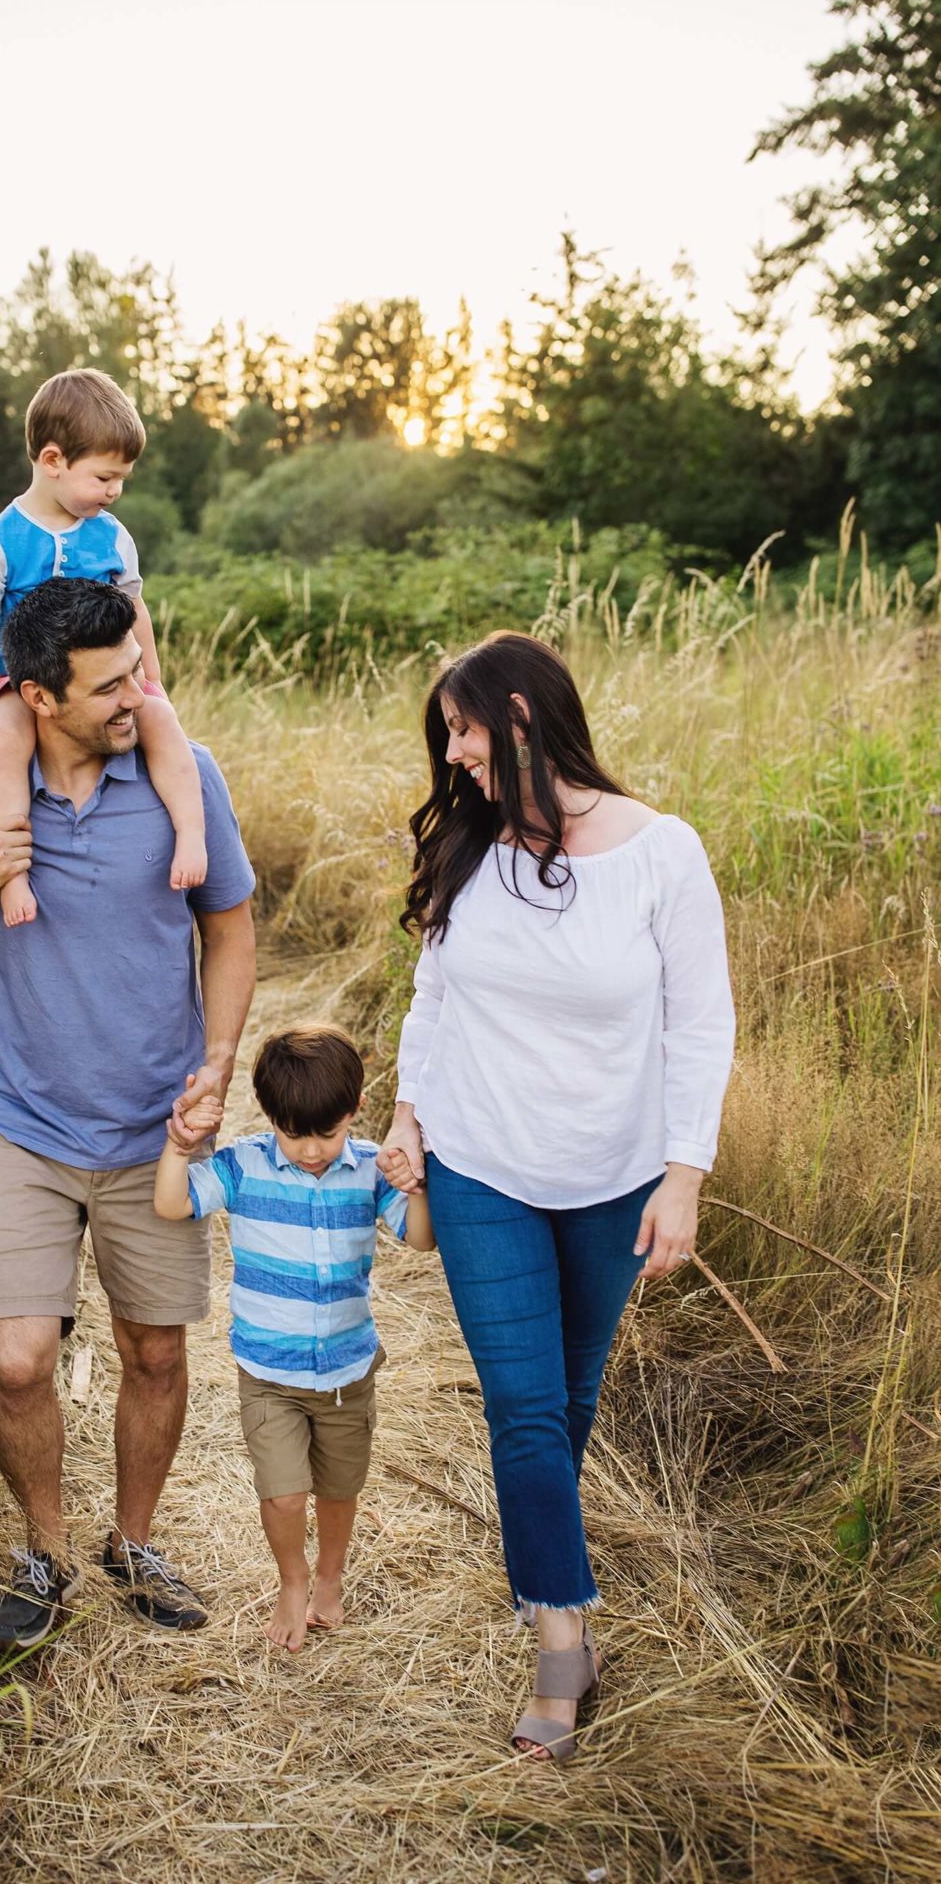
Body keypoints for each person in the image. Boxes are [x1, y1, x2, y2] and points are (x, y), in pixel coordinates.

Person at [0, 578, 256, 1654]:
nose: (137, 695)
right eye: (109, 685)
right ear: (36, 695)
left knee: (154, 1352)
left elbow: (228, 926)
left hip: (154, 1124)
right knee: (15, 1358)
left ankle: (131, 1541)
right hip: (17, 1116)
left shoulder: (184, 779)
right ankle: (42, 1553)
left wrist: (218, 1062)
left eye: (137, 670)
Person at [378, 631, 734, 1762]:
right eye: (450, 743)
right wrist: (407, 1111)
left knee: (569, 1400)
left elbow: (701, 1024)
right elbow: (431, 994)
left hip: (613, 1173)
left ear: (523, 716)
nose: (458, 759)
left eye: (468, 735)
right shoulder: (471, 849)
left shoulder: (662, 853)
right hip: (482, 1159)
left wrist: (683, 1174)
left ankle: (540, 1555)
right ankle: (560, 1639)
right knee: (523, 1408)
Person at [155, 1027, 435, 1652]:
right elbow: (174, 1206)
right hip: (268, 1373)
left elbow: (420, 1238)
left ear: (355, 1113)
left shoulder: (368, 1172)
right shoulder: (243, 1166)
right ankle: (293, 1579)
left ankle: (331, 1574)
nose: (311, 1150)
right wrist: (179, 1149)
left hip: (346, 1371)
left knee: (338, 1490)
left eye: (327, 1134)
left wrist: (414, 1185)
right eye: (294, 1133)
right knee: (282, 1495)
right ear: (269, 1117)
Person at [0, 366, 207, 927]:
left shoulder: (112, 534)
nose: (114, 492)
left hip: (105, 678)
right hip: (24, 681)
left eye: (122, 479)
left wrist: (152, 680)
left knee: (161, 720)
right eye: (104, 478)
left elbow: (136, 610)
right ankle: (14, 872)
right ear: (52, 461)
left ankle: (191, 835)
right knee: (2, 743)